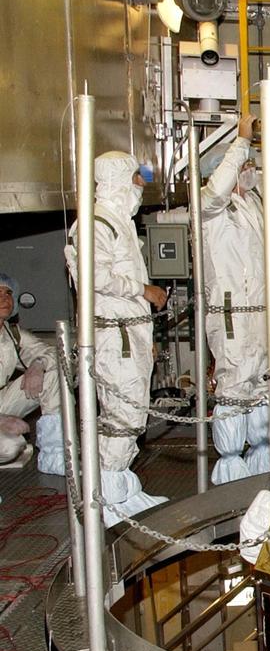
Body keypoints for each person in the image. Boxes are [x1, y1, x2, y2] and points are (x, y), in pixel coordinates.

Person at [200, 115, 270, 483]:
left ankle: (263, 457)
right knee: (236, 383)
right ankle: (231, 465)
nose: (251, 169)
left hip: (263, 311)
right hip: (232, 312)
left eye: (252, 163)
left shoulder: (255, 200)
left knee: (264, 381)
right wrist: (241, 142)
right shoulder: (209, 206)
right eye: (245, 164)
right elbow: (218, 190)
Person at [65, 152, 170, 521]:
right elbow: (94, 277)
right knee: (121, 415)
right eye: (136, 178)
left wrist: (146, 335)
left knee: (132, 412)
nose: (141, 184)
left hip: (130, 331)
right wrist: (143, 290)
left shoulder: (119, 222)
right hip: (114, 336)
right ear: (119, 179)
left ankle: (121, 490)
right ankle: (108, 500)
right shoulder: (95, 223)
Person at [0, 273, 63, 474]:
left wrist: (38, 364)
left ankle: (55, 454)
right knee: (10, 446)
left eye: (8, 293)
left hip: (2, 400)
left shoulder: (12, 333)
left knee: (53, 373)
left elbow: (52, 352)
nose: (4, 298)